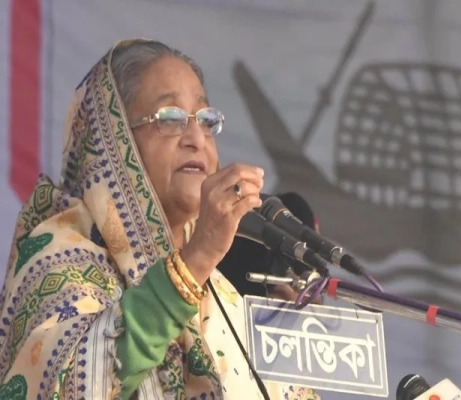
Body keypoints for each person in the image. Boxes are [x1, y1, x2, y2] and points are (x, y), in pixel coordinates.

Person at [0, 39, 320, 400]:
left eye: (206, 120)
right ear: (116, 140)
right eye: (170, 118)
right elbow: (68, 386)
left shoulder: (222, 296)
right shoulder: (57, 261)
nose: (196, 138)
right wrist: (194, 262)